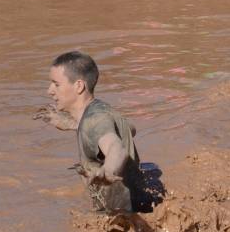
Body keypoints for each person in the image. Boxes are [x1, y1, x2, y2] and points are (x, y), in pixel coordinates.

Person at [47, 51, 153, 212]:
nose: (50, 90)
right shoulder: (100, 110)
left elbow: (117, 149)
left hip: (124, 219)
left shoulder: (94, 120)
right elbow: (130, 128)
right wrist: (76, 125)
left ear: (79, 86)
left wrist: (107, 171)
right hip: (140, 206)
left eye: (56, 84)